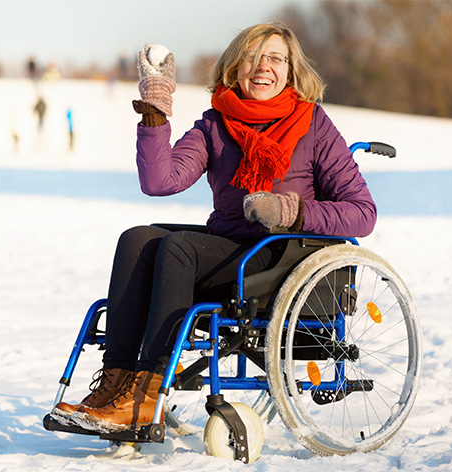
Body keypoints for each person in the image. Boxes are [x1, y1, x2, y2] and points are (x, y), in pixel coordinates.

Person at [53, 22, 377, 433]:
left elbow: (362, 212)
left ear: (291, 71)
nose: (263, 67)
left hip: (282, 260)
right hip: (226, 254)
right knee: (137, 239)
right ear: (233, 66)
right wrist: (155, 112)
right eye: (252, 57)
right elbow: (159, 182)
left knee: (180, 247)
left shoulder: (313, 125)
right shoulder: (215, 123)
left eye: (276, 58)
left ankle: (147, 394)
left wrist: (290, 211)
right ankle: (116, 382)